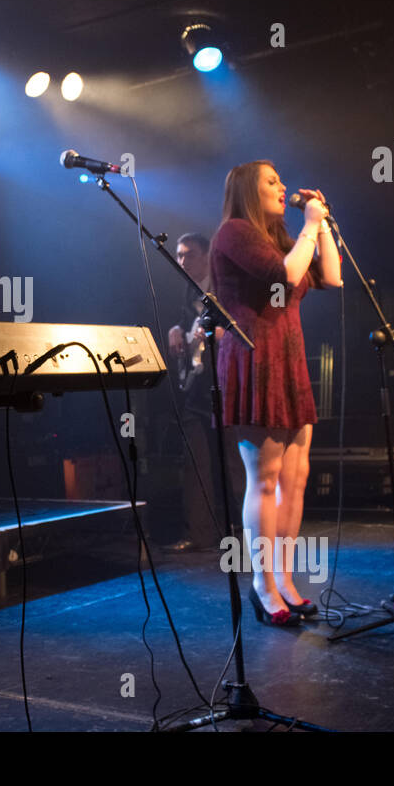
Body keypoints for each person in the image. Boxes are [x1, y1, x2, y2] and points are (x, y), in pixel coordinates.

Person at [208, 161, 341, 625]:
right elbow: (284, 278)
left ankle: (284, 579)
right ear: (248, 189)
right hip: (255, 358)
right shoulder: (235, 232)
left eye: (282, 181)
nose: (283, 187)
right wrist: (309, 226)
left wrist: (320, 228)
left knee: (295, 479)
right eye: (272, 181)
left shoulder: (279, 237)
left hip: (290, 360)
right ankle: (263, 586)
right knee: (264, 479)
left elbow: (333, 276)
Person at [163, 233, 223, 552]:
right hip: (197, 389)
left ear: (206, 255)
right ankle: (199, 534)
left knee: (233, 465)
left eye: (189, 254)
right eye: (179, 255)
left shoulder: (225, 285)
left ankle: (243, 536)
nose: (182, 261)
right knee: (194, 463)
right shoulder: (189, 290)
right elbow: (187, 326)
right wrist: (176, 329)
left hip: (226, 386)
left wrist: (221, 333)